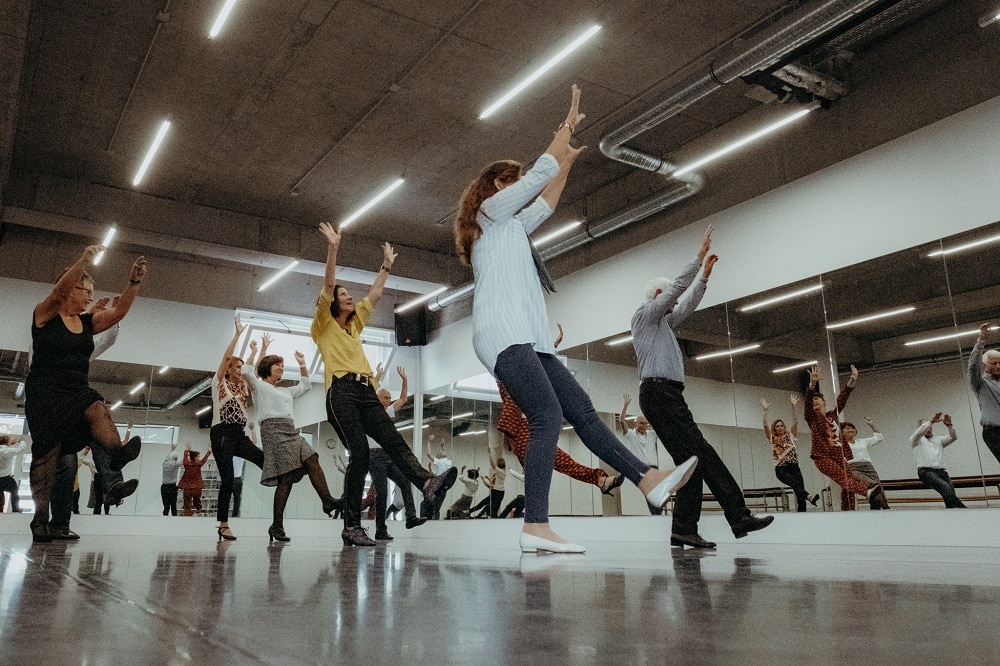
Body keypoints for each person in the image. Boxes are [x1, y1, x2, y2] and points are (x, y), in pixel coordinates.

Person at [454, 84, 695, 554]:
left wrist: (566, 162)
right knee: (546, 416)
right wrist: (561, 132)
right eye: (511, 181)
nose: (518, 187)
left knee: (580, 411)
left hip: (530, 339)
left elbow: (544, 203)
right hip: (502, 336)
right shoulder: (489, 215)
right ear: (495, 187)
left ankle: (647, 480)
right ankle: (535, 526)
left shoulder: (513, 229)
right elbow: (532, 187)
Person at [311, 223, 457, 546]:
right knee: (360, 454)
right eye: (345, 296)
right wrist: (333, 247)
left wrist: (387, 264)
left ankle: (428, 483)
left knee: (393, 440)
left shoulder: (355, 324)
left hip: (365, 391)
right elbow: (329, 282)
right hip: (341, 392)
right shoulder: (323, 326)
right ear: (334, 304)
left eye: (350, 295)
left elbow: (375, 294)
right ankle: (351, 526)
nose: (349, 297)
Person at [632, 225, 773, 550]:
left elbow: (688, 302)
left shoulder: (664, 324)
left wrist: (705, 278)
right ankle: (738, 515)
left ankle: (683, 529)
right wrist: (697, 259)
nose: (673, 302)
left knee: (692, 463)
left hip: (665, 395)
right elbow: (678, 290)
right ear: (657, 297)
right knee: (704, 453)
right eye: (667, 297)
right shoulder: (645, 317)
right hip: (659, 393)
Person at [23, 244, 147, 542]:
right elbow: (56, 294)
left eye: (91, 290)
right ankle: (40, 522)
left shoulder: (87, 322)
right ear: (70, 288)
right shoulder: (44, 316)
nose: (91, 295)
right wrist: (82, 261)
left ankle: (116, 455)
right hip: (45, 396)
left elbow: (119, 312)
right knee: (47, 461)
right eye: (85, 289)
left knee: (95, 404)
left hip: (76, 392)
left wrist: (133, 283)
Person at [243, 334, 340, 543]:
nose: (281, 368)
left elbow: (305, 385)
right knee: (286, 477)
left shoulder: (285, 390)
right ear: (267, 367)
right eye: (278, 364)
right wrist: (255, 351)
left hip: (290, 429)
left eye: (282, 365)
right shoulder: (259, 387)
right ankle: (276, 525)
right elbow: (246, 371)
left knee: (312, 458)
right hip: (273, 430)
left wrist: (303, 363)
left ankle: (327, 501)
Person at [210, 316, 265, 541]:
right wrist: (238, 335)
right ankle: (223, 524)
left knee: (263, 458)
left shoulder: (242, 384)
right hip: (221, 432)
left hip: (239, 434)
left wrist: (259, 350)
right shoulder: (219, 382)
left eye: (242, 367)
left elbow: (252, 369)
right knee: (229, 478)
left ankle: (281, 479)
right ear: (229, 369)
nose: (241, 370)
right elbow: (226, 357)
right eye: (237, 367)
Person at [805, 365, 884, 511]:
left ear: (824, 402)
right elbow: (808, 401)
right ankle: (867, 490)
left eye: (817, 398)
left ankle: (848, 511)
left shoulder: (833, 415)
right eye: (812, 400)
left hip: (839, 456)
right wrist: (812, 385)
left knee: (847, 486)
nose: (814, 401)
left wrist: (852, 380)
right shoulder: (812, 418)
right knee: (843, 478)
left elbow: (844, 396)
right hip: (822, 456)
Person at [367, 366, 426, 540]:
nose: (388, 400)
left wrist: (405, 380)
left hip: (388, 456)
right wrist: (377, 375)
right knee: (382, 493)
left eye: (388, 398)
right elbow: (369, 391)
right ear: (377, 398)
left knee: (404, 482)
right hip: (375, 456)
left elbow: (403, 399)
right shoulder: (369, 412)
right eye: (385, 398)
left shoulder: (389, 411)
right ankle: (380, 530)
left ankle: (410, 517)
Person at [761, 395, 819, 512]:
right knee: (796, 486)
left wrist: (793, 407)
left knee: (799, 492)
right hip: (781, 469)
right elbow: (766, 426)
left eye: (781, 425)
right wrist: (765, 412)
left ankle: (803, 514)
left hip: (794, 467)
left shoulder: (790, 437)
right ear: (775, 428)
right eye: (777, 426)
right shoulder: (772, 438)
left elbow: (796, 422)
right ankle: (809, 496)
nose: (780, 427)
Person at [910, 413, 965, 508]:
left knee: (950, 492)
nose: (930, 428)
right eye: (927, 427)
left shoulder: (938, 440)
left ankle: (952, 511)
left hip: (941, 471)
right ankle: (962, 509)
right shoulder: (916, 440)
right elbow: (918, 433)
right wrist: (931, 422)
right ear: (922, 428)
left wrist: (949, 426)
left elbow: (953, 437)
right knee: (945, 487)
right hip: (926, 472)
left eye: (931, 427)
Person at [620, 394, 662, 514]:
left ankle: (657, 515)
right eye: (641, 423)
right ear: (635, 423)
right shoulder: (631, 435)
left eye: (645, 424)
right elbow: (622, 420)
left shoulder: (652, 434)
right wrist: (625, 405)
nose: (644, 426)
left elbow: (660, 423)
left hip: (653, 468)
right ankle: (656, 515)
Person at [842, 417, 889, 510]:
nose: (851, 429)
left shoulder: (861, 441)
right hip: (854, 467)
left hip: (868, 467)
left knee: (878, 488)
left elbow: (879, 438)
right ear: (842, 432)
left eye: (852, 428)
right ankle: (884, 507)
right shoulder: (841, 444)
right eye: (847, 428)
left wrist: (871, 425)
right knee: (872, 485)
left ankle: (877, 508)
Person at [969, 323, 1000, 464]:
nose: (998, 366)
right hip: (994, 433)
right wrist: (980, 342)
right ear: (985, 366)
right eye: (994, 363)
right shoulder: (980, 384)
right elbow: (973, 365)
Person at [178, 447, 212, 516]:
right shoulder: (198, 464)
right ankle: (198, 510)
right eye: (198, 457)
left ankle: (187, 516)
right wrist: (209, 452)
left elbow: (185, 457)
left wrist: (187, 450)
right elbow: (204, 459)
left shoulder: (186, 464)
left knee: (187, 505)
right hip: (197, 487)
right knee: (197, 502)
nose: (199, 458)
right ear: (195, 457)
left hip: (187, 487)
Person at [0, 435, 27, 513]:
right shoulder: (9, 451)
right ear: (7, 443)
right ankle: (16, 509)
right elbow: (21, 448)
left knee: (0, 498)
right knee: (15, 493)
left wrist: (9, 443)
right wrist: (21, 441)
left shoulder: (6, 450)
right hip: (6, 478)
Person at [161, 443, 182, 516]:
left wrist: (172, 450)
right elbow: (183, 462)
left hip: (164, 487)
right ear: (176, 458)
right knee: (173, 505)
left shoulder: (165, 463)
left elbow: (167, 457)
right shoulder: (175, 464)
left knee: (166, 506)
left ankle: (164, 518)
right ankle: (174, 521)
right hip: (172, 487)